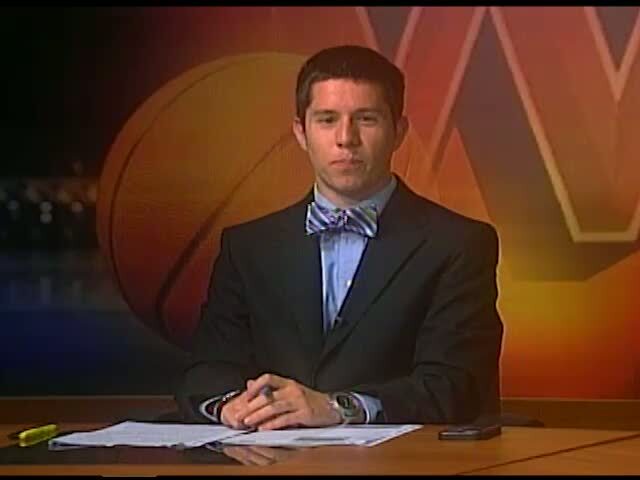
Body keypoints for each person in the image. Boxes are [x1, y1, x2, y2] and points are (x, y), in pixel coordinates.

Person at [176, 44, 503, 430]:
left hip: (403, 458)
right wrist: (230, 405)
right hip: (267, 456)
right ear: (301, 132)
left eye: (366, 119)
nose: (346, 138)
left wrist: (338, 407)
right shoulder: (247, 247)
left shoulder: (459, 243)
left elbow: (454, 386)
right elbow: (206, 373)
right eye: (327, 119)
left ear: (399, 132)